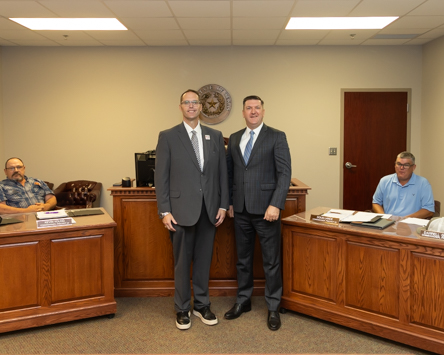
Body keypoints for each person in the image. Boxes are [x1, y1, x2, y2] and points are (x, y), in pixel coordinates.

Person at [154, 89, 229, 330]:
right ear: (181, 107)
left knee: (204, 262)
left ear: (201, 107)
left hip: (209, 211)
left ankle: (202, 305)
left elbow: (222, 175)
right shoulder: (168, 136)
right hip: (180, 211)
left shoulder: (215, 136)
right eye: (186, 102)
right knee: (181, 263)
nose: (191, 106)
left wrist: (222, 205)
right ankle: (182, 308)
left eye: (195, 102)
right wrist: (164, 211)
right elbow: (161, 176)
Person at [225, 95, 291, 331]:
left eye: (257, 108)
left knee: (270, 261)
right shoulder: (233, 139)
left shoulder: (276, 136)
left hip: (267, 211)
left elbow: (284, 174)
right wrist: (230, 202)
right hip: (240, 210)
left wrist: (276, 204)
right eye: (248, 108)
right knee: (243, 260)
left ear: (263, 111)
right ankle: (243, 301)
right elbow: (230, 175)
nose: (253, 111)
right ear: (242, 113)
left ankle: (273, 306)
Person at [372, 151, 434, 219]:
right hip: (388, 224)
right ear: (395, 165)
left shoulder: (423, 183)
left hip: (412, 224)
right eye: (399, 164)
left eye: (406, 165)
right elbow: (376, 203)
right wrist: (385, 217)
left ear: (413, 167)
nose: (401, 168)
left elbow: (429, 210)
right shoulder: (384, 181)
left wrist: (404, 220)